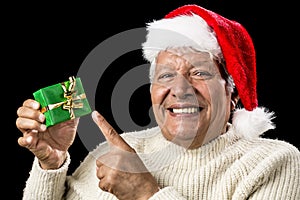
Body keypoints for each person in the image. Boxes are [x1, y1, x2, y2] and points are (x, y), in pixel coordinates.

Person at [16, 4, 300, 200]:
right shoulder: (118, 149)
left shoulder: (272, 162)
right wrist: (51, 165)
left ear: (232, 92)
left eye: (199, 72)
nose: (180, 89)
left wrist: (145, 193)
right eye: (166, 75)